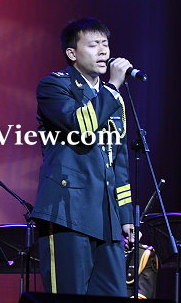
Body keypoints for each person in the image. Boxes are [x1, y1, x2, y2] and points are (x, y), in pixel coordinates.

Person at [29, 17, 135, 296]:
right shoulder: (54, 86)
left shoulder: (111, 97)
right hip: (67, 211)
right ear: (72, 53)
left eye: (105, 44)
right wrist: (112, 88)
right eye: (93, 44)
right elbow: (81, 126)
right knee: (69, 295)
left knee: (114, 294)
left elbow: (119, 162)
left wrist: (125, 216)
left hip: (107, 216)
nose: (103, 51)